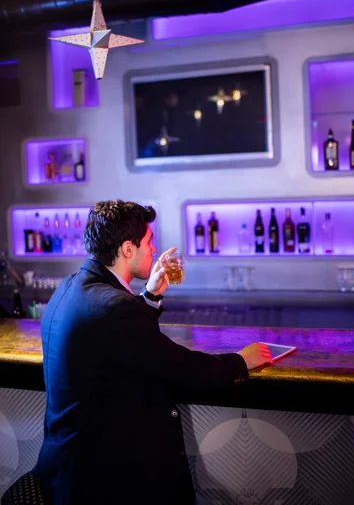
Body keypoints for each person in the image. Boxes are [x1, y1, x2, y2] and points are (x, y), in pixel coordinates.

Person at [34, 200, 272, 504]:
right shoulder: (113, 308)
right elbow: (179, 367)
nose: (154, 249)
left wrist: (150, 294)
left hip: (65, 467)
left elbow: (124, 344)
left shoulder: (70, 287)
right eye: (148, 242)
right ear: (127, 249)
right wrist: (240, 361)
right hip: (104, 481)